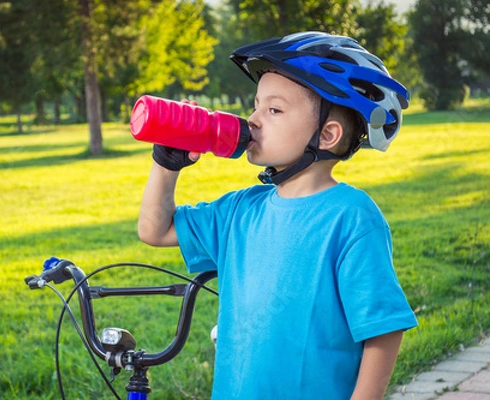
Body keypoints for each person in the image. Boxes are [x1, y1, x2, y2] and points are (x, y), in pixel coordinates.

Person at [137, 31, 418, 400]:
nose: (252, 119)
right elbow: (155, 230)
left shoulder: (351, 217)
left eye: (274, 109)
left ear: (327, 134)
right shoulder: (240, 210)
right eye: (255, 105)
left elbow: (382, 331)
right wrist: (166, 164)